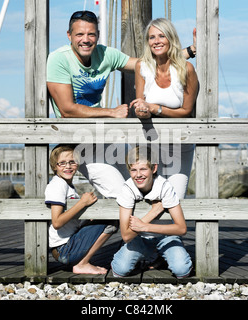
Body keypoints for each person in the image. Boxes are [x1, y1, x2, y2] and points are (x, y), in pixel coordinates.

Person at [46, 11, 196, 198]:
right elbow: (67, 110)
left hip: (104, 135)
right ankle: (108, 227)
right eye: (79, 34)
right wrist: (111, 112)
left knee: (138, 187)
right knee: (121, 194)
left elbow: (148, 63)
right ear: (69, 35)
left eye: (91, 34)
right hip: (79, 140)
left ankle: (115, 226)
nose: (86, 39)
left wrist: (189, 51)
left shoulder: (106, 54)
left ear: (98, 35)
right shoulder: (59, 59)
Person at [130, 18, 199, 199]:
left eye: (162, 36)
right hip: (150, 142)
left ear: (171, 39)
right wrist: (141, 111)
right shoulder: (142, 66)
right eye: (152, 37)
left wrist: (155, 108)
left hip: (179, 143)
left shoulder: (186, 69)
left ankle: (170, 228)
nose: (156, 41)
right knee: (148, 197)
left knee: (175, 197)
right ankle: (145, 227)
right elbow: (140, 103)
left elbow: (186, 111)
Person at [111, 146, 192, 278]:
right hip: (140, 238)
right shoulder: (127, 188)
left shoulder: (164, 186)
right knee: (119, 270)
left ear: (154, 168)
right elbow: (126, 236)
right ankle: (152, 255)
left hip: (166, 237)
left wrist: (145, 226)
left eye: (143, 169)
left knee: (182, 270)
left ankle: (161, 255)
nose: (138, 175)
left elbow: (182, 228)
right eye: (133, 170)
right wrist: (153, 212)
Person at [45, 144, 117, 274]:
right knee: (111, 222)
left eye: (72, 162)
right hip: (64, 249)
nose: (68, 166)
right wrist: (82, 203)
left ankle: (80, 262)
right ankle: (82, 264)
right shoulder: (57, 185)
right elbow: (57, 222)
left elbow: (70, 220)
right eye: (62, 163)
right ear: (55, 166)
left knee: (106, 218)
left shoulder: (67, 185)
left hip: (67, 246)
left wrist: (85, 219)